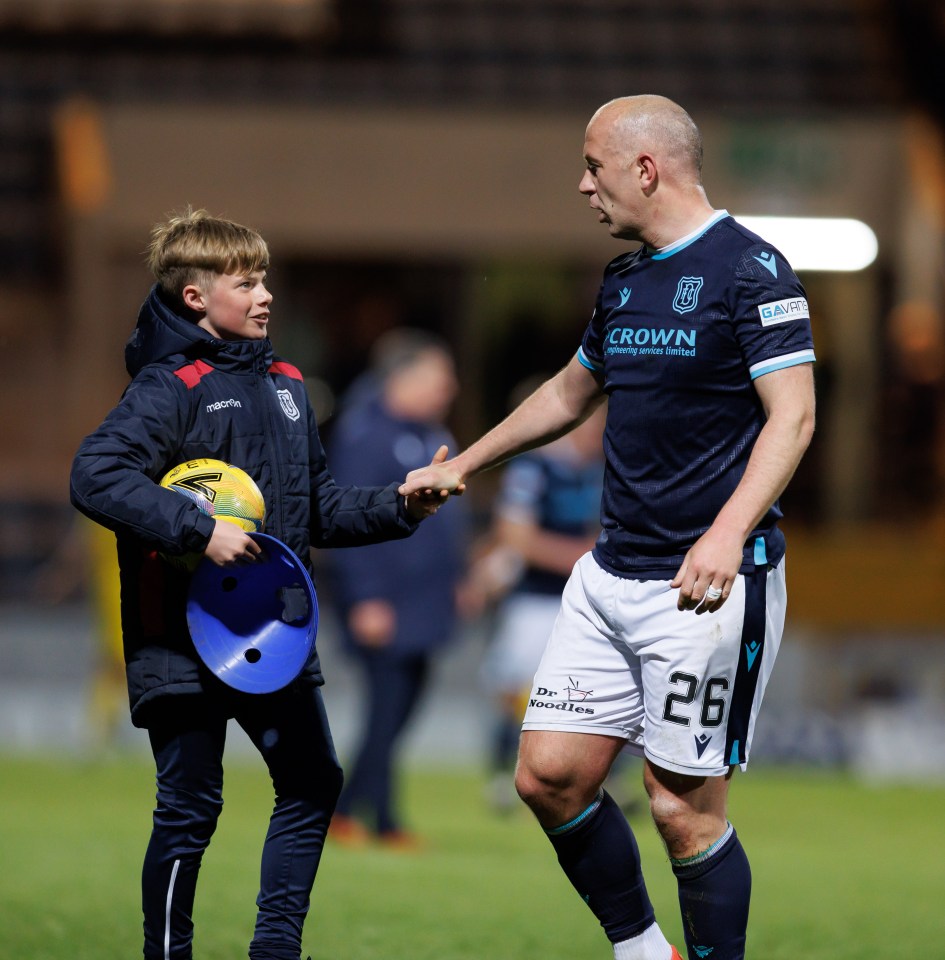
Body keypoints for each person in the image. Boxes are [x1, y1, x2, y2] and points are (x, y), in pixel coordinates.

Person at [401, 94, 816, 960]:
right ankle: (641, 951)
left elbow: (793, 419)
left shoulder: (753, 270)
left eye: (592, 165)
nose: (581, 184)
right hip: (607, 577)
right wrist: (463, 463)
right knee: (546, 777)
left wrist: (724, 533)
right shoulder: (625, 279)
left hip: (704, 588)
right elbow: (567, 392)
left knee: (678, 808)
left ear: (645, 168)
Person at [69, 208, 447, 960]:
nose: (264, 293)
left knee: (312, 782)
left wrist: (402, 504)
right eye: (244, 282)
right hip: (180, 636)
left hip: (270, 630)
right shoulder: (168, 386)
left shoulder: (287, 384)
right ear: (195, 299)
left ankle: (275, 951)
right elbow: (95, 473)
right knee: (188, 810)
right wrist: (199, 530)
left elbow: (322, 509)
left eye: (264, 277)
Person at [325, 328, 466, 847]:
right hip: (387, 604)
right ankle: (382, 821)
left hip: (424, 602)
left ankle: (346, 810)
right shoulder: (367, 434)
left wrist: (459, 579)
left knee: (398, 714)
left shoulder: (428, 434)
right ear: (401, 377)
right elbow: (351, 519)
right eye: (438, 376)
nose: (449, 386)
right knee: (386, 711)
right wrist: (365, 598)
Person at [473, 397, 609, 812]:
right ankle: (502, 773)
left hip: (584, 601)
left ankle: (600, 781)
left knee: (592, 693)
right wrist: (584, 556)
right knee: (518, 691)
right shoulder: (533, 469)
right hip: (533, 599)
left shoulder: (599, 471)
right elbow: (516, 538)